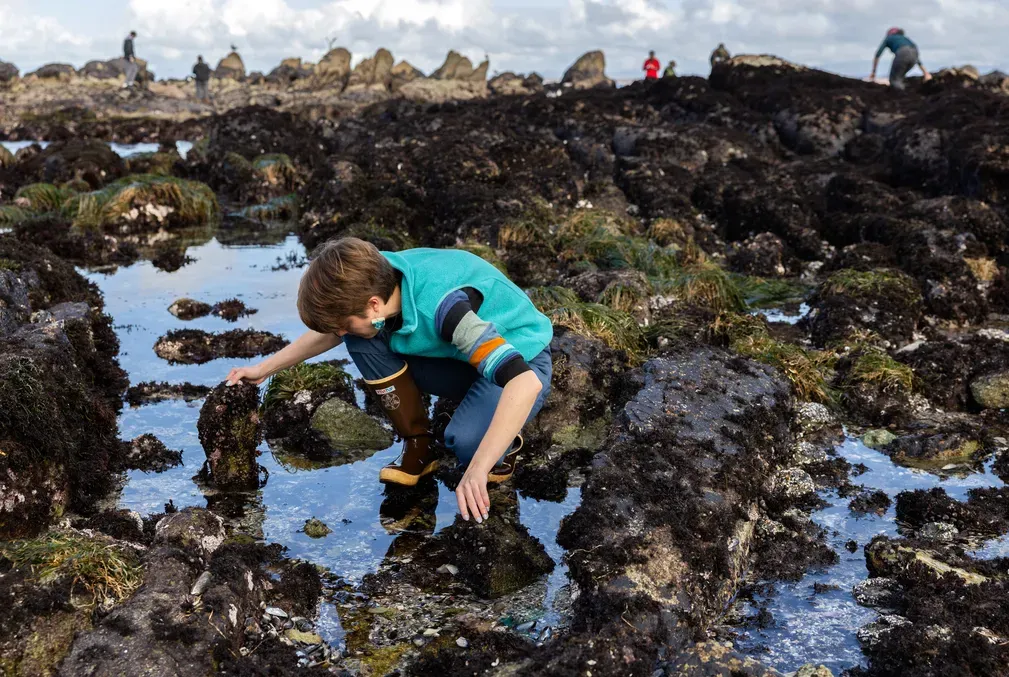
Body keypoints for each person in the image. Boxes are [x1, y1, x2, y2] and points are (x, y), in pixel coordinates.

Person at [225, 238, 554, 522]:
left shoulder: (446, 310)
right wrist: (265, 368)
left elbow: (524, 383)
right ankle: (419, 444)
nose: (338, 333)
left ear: (373, 305)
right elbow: (333, 332)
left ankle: (504, 444)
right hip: (460, 358)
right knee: (360, 338)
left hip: (519, 359)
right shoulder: (375, 278)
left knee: (467, 445)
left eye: (344, 323)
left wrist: (479, 468)